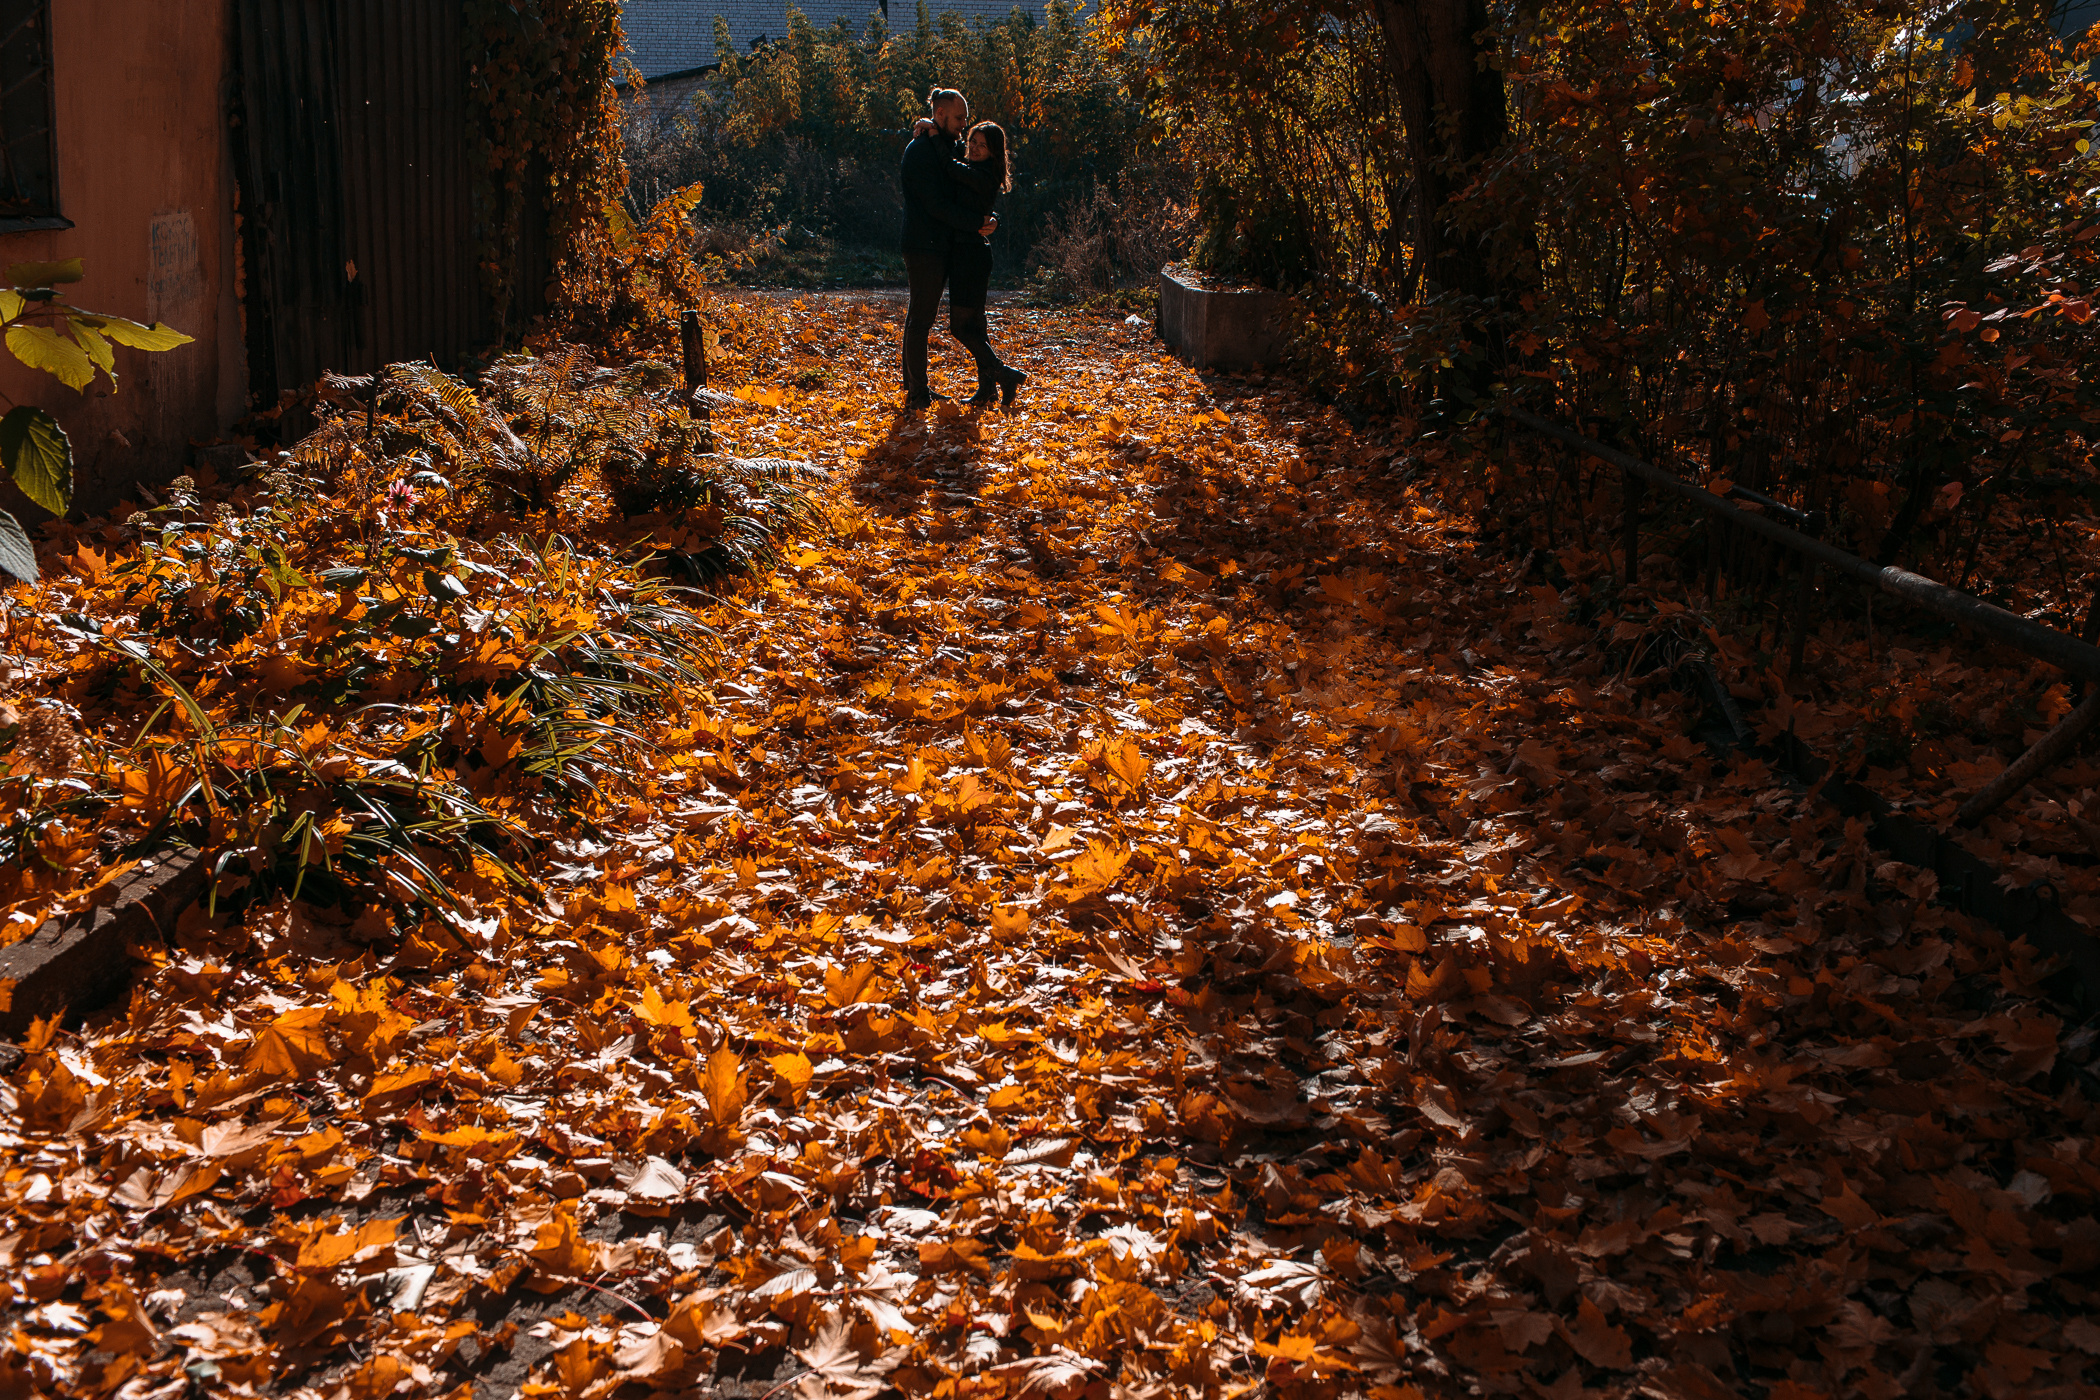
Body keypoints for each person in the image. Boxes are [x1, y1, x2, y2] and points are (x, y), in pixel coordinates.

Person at [898, 89, 999, 411]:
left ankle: (919, 389)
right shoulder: (919, 151)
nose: (962, 127)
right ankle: (917, 394)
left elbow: (973, 183)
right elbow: (936, 205)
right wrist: (975, 222)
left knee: (921, 319)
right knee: (920, 319)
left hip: (942, 247)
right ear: (940, 114)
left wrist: (988, 219)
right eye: (958, 119)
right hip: (923, 246)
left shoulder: (944, 144)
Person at [942, 121, 1027, 408]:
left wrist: (932, 136)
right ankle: (987, 390)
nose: (974, 148)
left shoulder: (982, 174)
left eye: (982, 144)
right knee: (976, 326)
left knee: (960, 327)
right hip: (971, 253)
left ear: (993, 151)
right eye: (972, 142)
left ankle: (1004, 374)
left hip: (970, 257)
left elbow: (951, 167)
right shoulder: (978, 171)